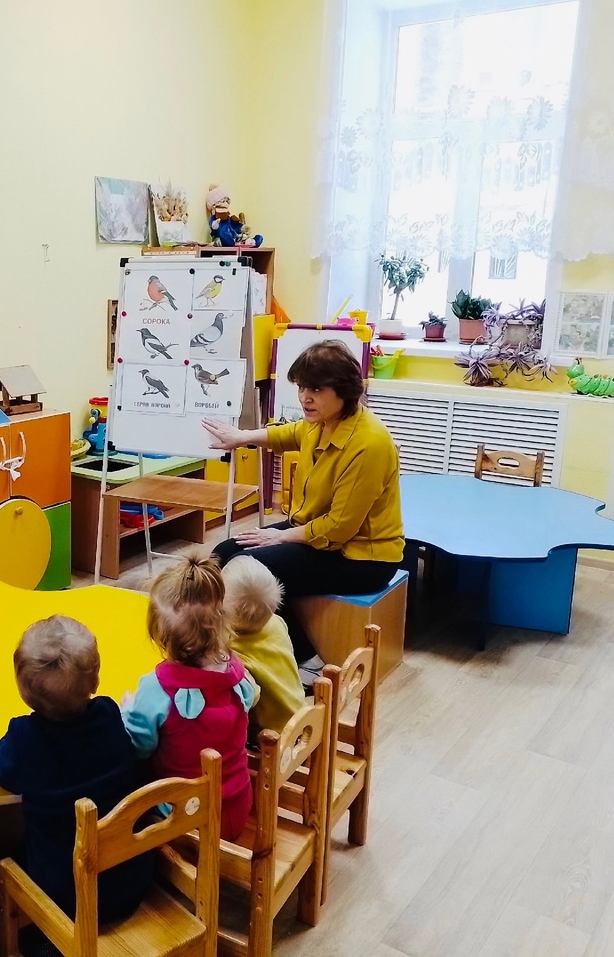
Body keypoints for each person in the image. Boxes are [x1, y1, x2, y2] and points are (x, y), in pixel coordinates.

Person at [202, 340, 404, 683]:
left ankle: (306, 663)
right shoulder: (322, 420)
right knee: (224, 552)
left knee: (255, 569)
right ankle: (231, 645)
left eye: (316, 389)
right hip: (318, 535)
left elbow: (338, 529)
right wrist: (242, 436)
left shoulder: (370, 444)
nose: (304, 398)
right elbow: (292, 433)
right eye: (301, 388)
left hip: (362, 557)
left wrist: (280, 537)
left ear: (344, 390)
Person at [0, 616, 152, 923]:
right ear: (95, 681)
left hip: (65, 896)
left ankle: (23, 935)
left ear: (23, 692)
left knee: (0, 851)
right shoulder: (109, 714)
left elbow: (0, 771)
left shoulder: (25, 737)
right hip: (132, 881)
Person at [121, 555, 257, 840]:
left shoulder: (157, 689)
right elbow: (251, 699)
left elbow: (137, 747)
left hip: (188, 821)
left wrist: (126, 710)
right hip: (237, 806)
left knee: (127, 781)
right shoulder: (237, 672)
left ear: (159, 634)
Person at [221, 556, 306, 737]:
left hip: (272, 736)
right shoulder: (277, 623)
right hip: (301, 716)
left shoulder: (230, 649)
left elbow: (250, 698)